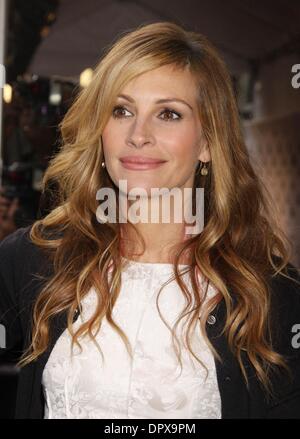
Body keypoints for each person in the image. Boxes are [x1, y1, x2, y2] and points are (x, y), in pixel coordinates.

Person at [0, 21, 300, 419]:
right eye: (121, 110)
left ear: (208, 141)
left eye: (169, 114)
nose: (138, 134)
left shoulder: (267, 292)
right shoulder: (37, 258)